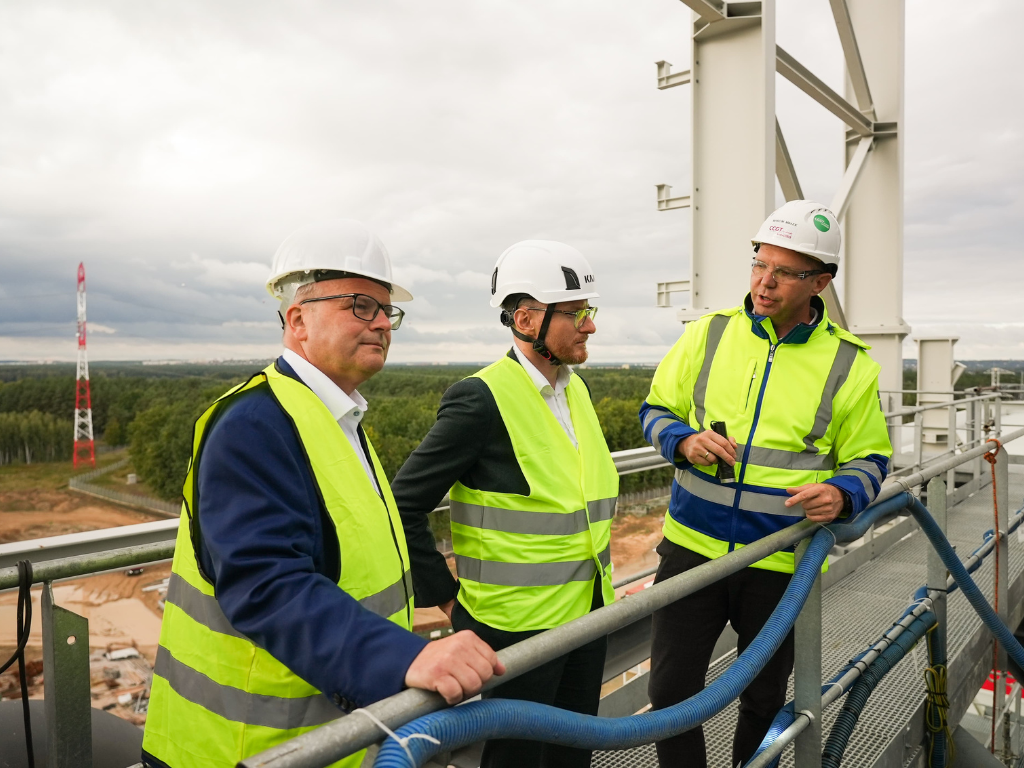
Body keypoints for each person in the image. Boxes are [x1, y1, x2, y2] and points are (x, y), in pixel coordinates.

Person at [141, 220, 504, 768]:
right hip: (242, 749)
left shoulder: (340, 420)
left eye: (387, 311)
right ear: (298, 320)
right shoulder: (254, 424)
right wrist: (406, 656)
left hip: (335, 740)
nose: (382, 323)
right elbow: (265, 583)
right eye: (360, 305)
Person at [640, 201, 892, 768]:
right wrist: (681, 441)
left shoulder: (849, 364)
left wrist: (844, 492)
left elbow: (871, 457)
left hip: (780, 564)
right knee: (669, 697)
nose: (764, 282)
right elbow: (655, 408)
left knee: (762, 702)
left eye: (785, 272)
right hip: (692, 552)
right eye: (759, 264)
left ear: (820, 283)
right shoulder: (709, 335)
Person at [392, 240, 618, 768]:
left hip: (586, 613)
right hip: (516, 630)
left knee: (572, 754)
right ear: (525, 318)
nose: (590, 325)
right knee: (518, 761)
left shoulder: (574, 390)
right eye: (577, 313)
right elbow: (402, 505)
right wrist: (449, 601)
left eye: (590, 311)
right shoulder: (480, 399)